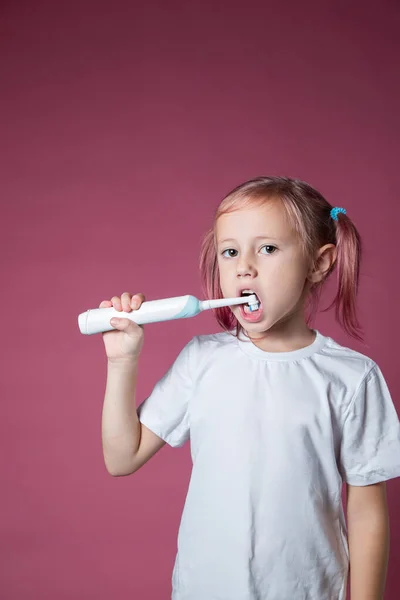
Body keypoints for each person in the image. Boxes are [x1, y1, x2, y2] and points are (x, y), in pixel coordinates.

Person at [99, 176, 400, 600]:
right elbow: (120, 457)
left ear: (319, 263)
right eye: (230, 251)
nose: (244, 266)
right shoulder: (202, 360)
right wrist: (122, 359)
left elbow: (368, 513)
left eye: (268, 248)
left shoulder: (352, 378)